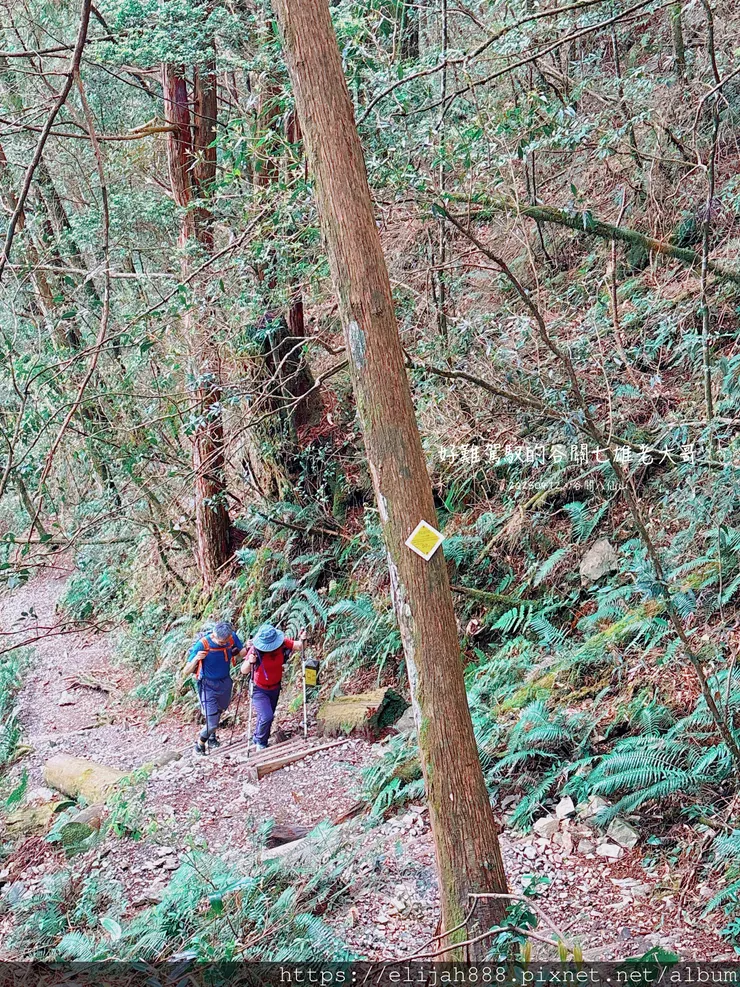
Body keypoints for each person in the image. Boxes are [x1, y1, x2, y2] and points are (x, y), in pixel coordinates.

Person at [183, 620, 248, 755]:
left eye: (225, 642)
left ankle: (212, 738)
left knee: (219, 711)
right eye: (220, 642)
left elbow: (242, 653)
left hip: (225, 682)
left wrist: (248, 647)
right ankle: (199, 746)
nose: (223, 644)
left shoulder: (232, 637)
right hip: (207, 685)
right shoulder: (203, 644)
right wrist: (196, 659)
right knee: (212, 722)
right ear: (214, 634)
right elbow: (186, 671)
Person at [242, 623, 306, 749]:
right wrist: (250, 662)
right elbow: (244, 670)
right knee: (267, 716)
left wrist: (303, 638)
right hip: (259, 689)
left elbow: (299, 646)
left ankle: (259, 738)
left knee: (266, 716)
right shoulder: (255, 650)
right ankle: (260, 742)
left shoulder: (281, 643)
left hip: (275, 687)